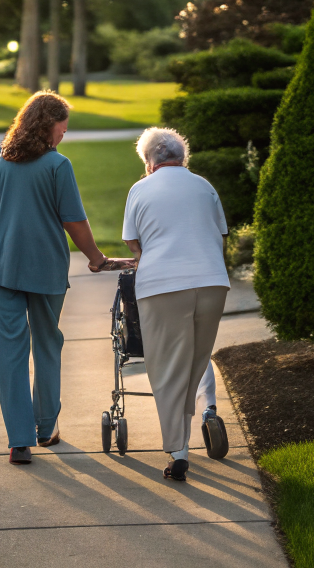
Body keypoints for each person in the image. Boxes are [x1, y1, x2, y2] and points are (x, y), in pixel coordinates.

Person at [0, 90, 126, 465]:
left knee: (8, 354)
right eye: (63, 127)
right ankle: (45, 429)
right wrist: (97, 258)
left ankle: (20, 440)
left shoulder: (0, 154)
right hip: (43, 268)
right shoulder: (58, 165)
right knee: (46, 344)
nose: (64, 134)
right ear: (49, 125)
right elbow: (72, 220)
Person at [122, 126, 228, 482]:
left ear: (149, 163)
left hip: (163, 287)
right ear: (183, 158)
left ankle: (178, 452)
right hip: (212, 283)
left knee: (168, 369)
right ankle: (202, 417)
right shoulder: (205, 186)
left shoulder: (140, 189)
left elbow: (133, 245)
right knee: (196, 362)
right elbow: (219, 235)